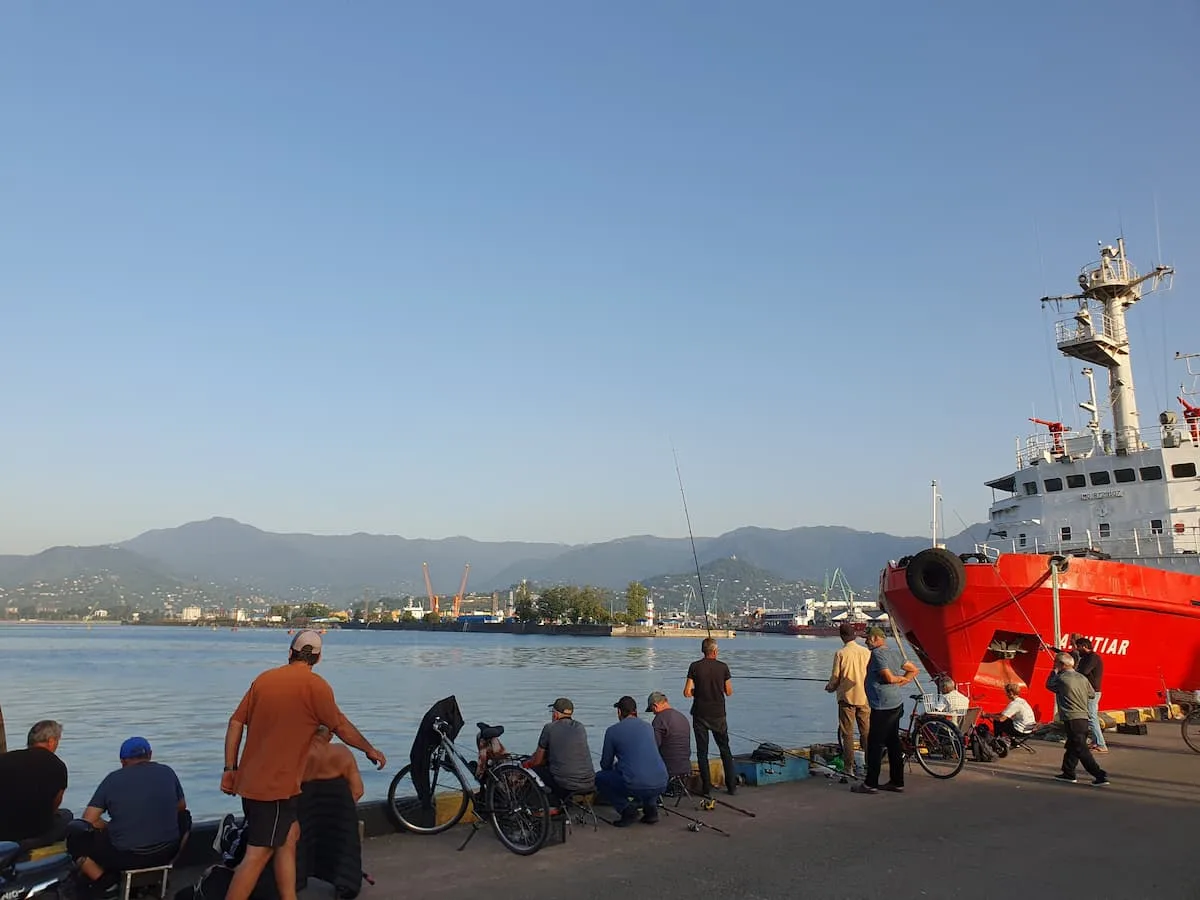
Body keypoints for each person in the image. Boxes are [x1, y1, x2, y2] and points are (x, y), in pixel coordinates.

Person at [221, 630, 387, 900]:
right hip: (274, 788)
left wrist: (230, 768)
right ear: (319, 658)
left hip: (256, 784)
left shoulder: (264, 680)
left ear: (289, 653)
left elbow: (236, 722)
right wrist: (369, 749)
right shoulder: (316, 687)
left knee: (288, 840)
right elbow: (341, 726)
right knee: (258, 854)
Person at [68, 737, 191, 891]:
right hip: (166, 851)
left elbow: (89, 820)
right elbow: (181, 807)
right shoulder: (167, 771)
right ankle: (164, 869)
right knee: (185, 817)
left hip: (127, 857)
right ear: (150, 755)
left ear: (123, 761)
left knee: (75, 837)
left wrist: (108, 827)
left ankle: (104, 881)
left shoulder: (113, 779)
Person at [852, 626, 917, 795]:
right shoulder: (895, 653)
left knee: (874, 744)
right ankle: (897, 781)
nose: (865, 641)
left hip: (882, 706)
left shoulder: (878, 654)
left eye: (867, 638)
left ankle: (870, 784)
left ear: (875, 638)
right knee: (893, 743)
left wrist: (899, 680)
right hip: (895, 704)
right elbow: (914, 669)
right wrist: (904, 682)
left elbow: (887, 677)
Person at [596, 696, 669, 827]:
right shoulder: (648, 727)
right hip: (662, 781)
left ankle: (626, 810)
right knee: (645, 773)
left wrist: (616, 766)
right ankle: (650, 809)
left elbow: (605, 764)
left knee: (600, 778)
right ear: (635, 711)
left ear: (619, 712)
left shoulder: (612, 731)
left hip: (636, 784)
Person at [0, 720, 71, 851]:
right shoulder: (58, 765)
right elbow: (55, 804)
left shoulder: (4, 759)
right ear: (51, 741)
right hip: (35, 832)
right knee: (66, 815)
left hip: (3, 830)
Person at [683, 637, 737, 796]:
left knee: (702, 751)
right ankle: (731, 786)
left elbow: (686, 692)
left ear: (703, 651)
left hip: (700, 714)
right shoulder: (723, 667)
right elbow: (729, 692)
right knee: (725, 749)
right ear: (715, 651)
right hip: (719, 714)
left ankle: (706, 788)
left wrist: (697, 692)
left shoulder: (694, 666)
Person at [1046, 652, 1109, 786]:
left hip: (1071, 717)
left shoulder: (1061, 678)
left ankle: (1100, 775)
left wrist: (1053, 672)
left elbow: (1049, 685)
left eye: (1056, 663)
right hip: (1083, 716)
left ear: (1062, 665)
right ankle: (1068, 773)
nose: (1054, 665)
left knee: (1080, 748)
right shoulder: (1082, 678)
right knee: (1072, 746)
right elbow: (1091, 695)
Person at [824, 623, 871, 785]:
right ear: (855, 635)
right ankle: (870, 766)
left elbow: (836, 677)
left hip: (847, 699)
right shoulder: (866, 652)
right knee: (866, 733)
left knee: (848, 734)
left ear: (842, 637)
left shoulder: (841, 653)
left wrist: (829, 687)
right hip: (865, 697)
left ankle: (848, 768)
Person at [522, 698, 596, 800]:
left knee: (534, 770)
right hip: (589, 783)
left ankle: (545, 805)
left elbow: (537, 761)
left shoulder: (549, 728)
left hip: (566, 786)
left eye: (552, 712)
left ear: (555, 714)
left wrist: (527, 764)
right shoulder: (580, 727)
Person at [303, 725, 364, 802]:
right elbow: (358, 791)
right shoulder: (343, 752)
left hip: (306, 808)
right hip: (341, 809)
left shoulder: (299, 754)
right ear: (330, 736)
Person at [645, 691, 692, 782]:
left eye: (652, 710)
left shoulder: (659, 719)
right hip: (685, 768)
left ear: (655, 706)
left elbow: (654, 746)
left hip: (668, 770)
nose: (654, 713)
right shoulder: (682, 717)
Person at [1073, 637, 1108, 753]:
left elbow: (1085, 671)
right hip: (1088, 690)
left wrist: (1072, 671)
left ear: (1084, 646)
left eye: (1078, 647)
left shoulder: (1093, 658)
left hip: (1093, 691)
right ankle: (1095, 741)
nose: (1076, 649)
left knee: (1091, 716)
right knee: (1090, 716)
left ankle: (1101, 744)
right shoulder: (1086, 657)